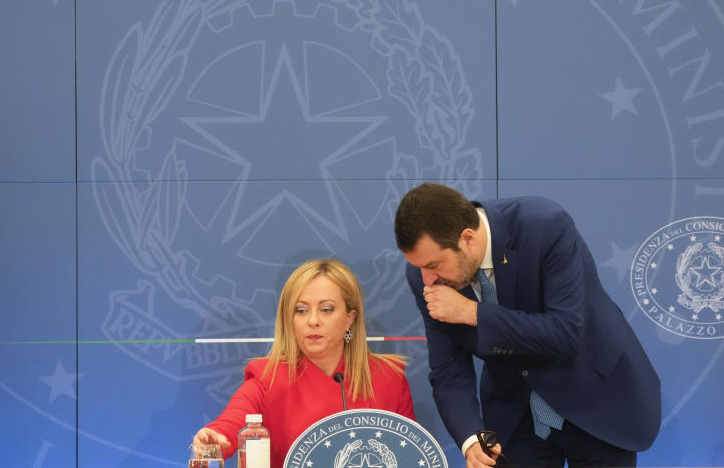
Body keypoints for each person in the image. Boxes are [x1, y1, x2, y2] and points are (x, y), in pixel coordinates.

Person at [395, 183, 660, 468]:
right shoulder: (425, 275)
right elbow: (449, 369)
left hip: (594, 399)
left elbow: (565, 333)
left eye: (433, 265)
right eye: (419, 266)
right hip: (517, 412)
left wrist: (474, 313)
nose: (426, 279)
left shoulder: (544, 225)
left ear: (467, 239)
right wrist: (471, 437)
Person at [194, 258, 415, 467]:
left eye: (326, 309)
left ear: (350, 318)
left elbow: (412, 453)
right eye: (301, 310)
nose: (313, 321)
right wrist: (215, 439)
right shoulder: (267, 377)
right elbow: (233, 422)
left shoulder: (389, 378)